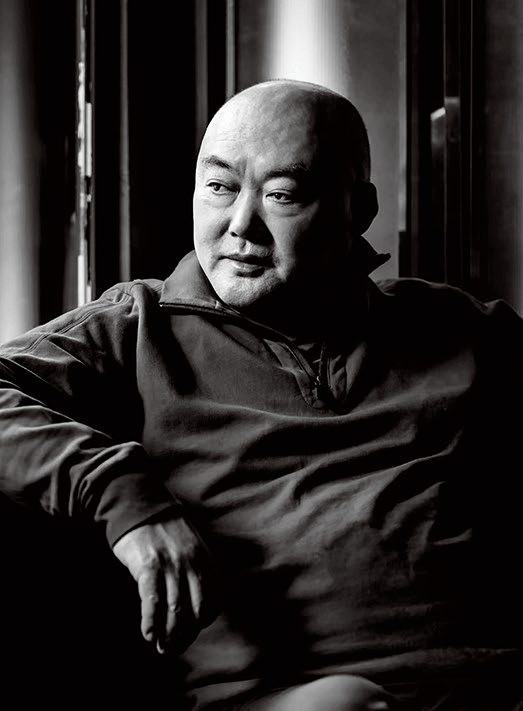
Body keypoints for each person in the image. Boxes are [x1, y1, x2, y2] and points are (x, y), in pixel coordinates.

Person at [0, 79, 522, 711]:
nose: (240, 226)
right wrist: (122, 498)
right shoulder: (137, 329)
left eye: (281, 195)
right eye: (219, 187)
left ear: (358, 210)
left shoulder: (461, 330)